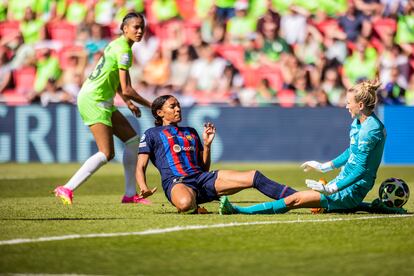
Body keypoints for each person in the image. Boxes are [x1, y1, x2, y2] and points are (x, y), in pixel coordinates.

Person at [220, 79, 388, 215]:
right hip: (344, 182)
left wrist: (332, 188)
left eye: (349, 102)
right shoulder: (358, 122)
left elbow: (361, 169)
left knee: (295, 199)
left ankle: (237, 210)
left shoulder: (371, 129)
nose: (346, 106)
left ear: (360, 105)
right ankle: (373, 206)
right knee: (308, 199)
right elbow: (351, 151)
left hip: (352, 188)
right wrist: (324, 167)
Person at [54, 12, 155, 205]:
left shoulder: (117, 45)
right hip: (95, 99)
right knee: (107, 153)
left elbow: (115, 81)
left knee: (133, 141)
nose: (140, 31)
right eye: (136, 27)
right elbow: (127, 88)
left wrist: (128, 103)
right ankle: (66, 188)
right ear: (124, 29)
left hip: (100, 98)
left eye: (142, 27)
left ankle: (129, 195)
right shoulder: (124, 50)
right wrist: (152, 105)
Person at [136, 95, 296, 213]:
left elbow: (203, 167)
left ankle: (303, 198)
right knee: (185, 205)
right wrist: (143, 187)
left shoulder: (190, 132)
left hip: (202, 178)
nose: (178, 109)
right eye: (172, 106)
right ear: (160, 113)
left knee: (254, 176)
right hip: (177, 182)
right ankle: (194, 205)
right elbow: (140, 165)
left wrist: (207, 145)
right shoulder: (151, 134)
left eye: (178, 105)